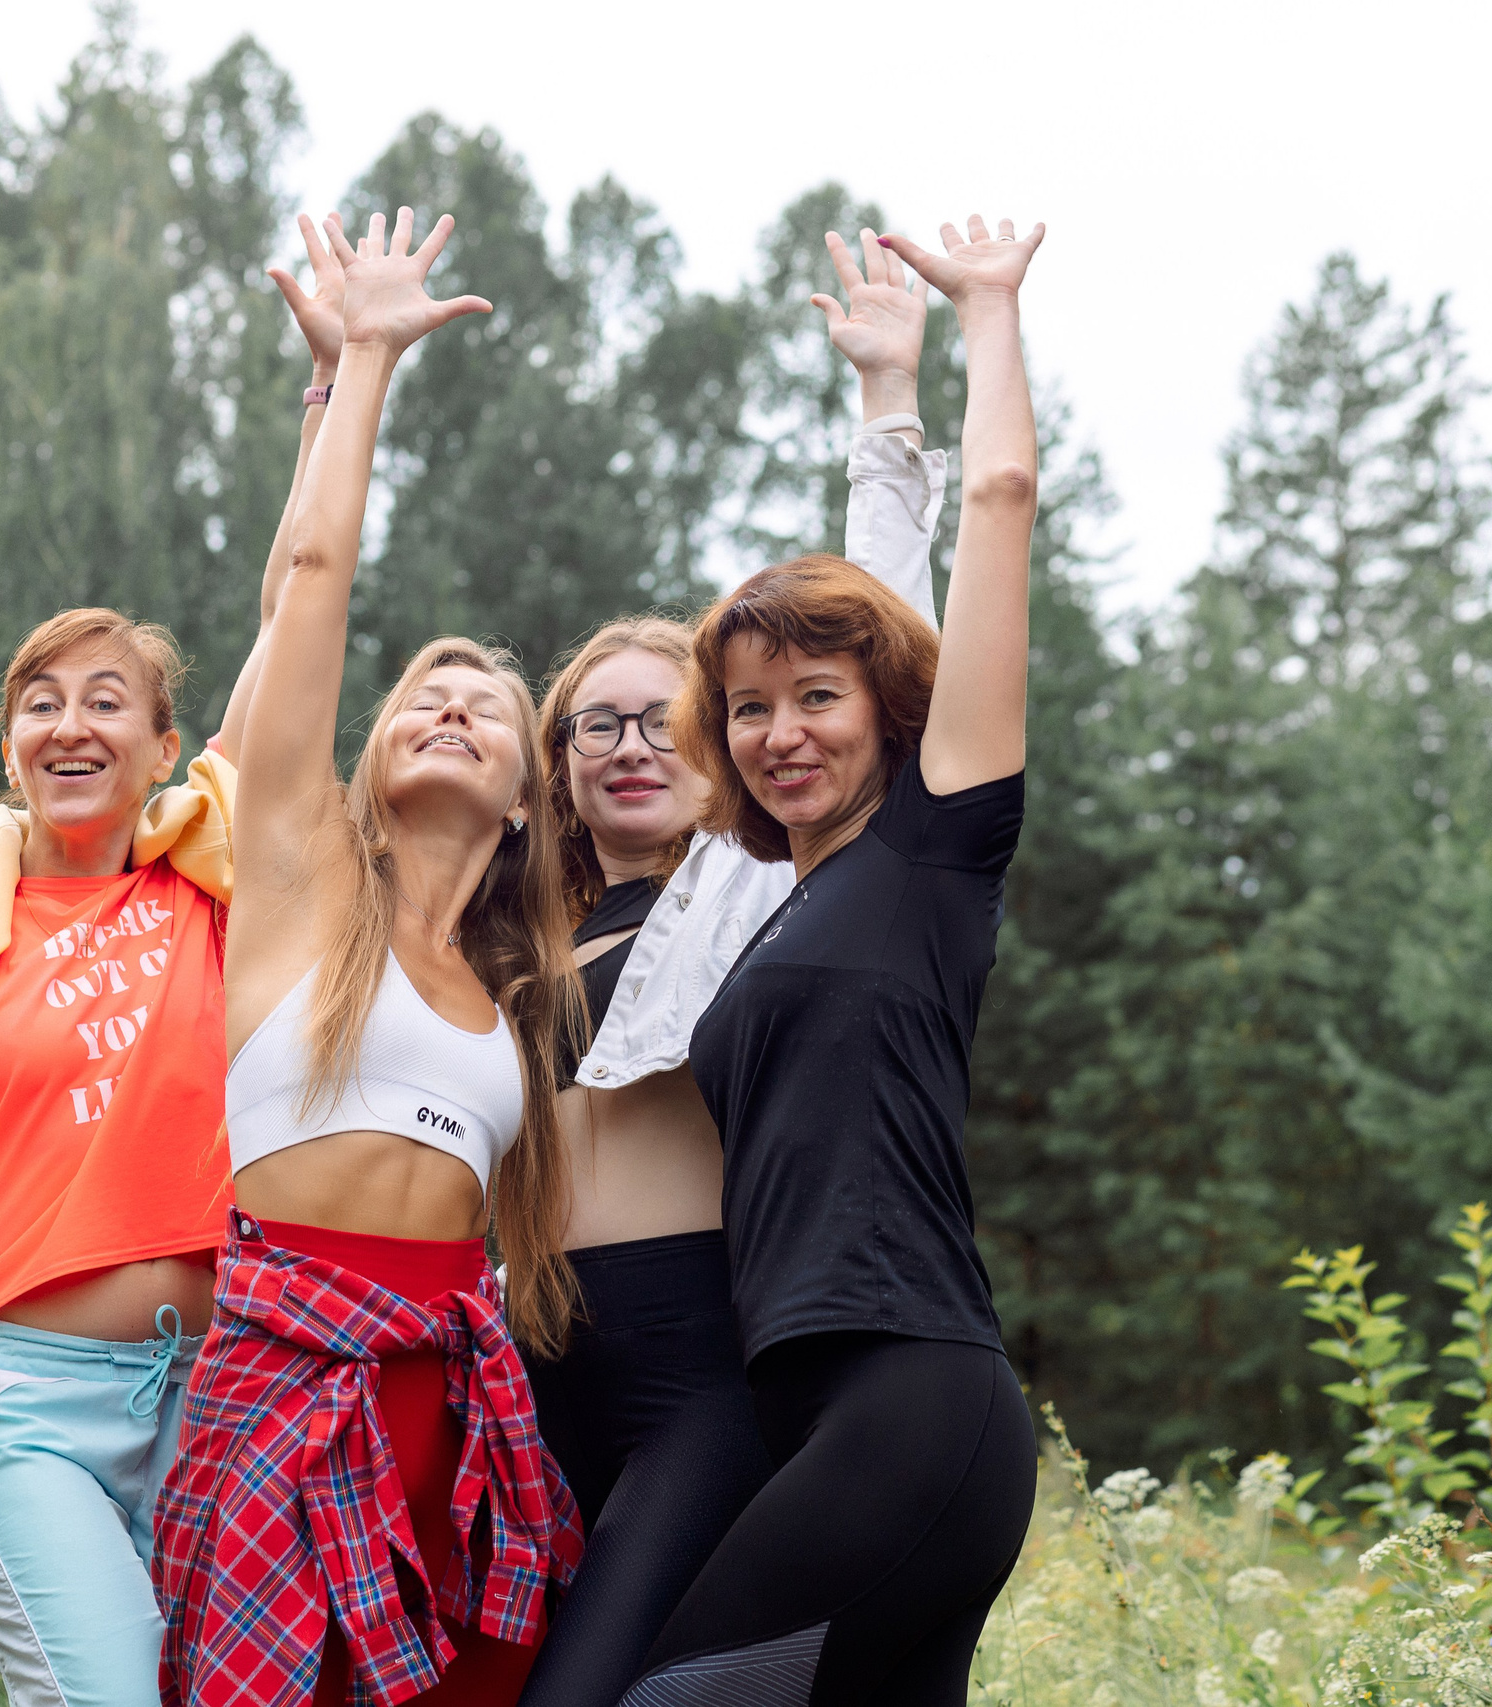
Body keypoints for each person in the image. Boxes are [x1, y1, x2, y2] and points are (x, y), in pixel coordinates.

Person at [0, 223, 338, 1707]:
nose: (70, 722)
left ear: (166, 747)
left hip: (218, 1395)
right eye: (39, 701)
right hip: (14, 1399)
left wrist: (330, 394)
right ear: (10, 751)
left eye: (108, 700)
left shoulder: (210, 889)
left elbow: (297, 617)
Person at [153, 208, 585, 1707]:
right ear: (367, 755)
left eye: (488, 706)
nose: (451, 707)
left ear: (526, 795)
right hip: (282, 1389)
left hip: (458, 1415)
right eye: (421, 697)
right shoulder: (299, 888)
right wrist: (359, 375)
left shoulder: (523, 996)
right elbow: (312, 580)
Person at [614, 214, 1047, 1707]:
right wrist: (877, 392)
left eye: (817, 695)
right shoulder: (768, 903)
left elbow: (999, 501)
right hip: (805, 1400)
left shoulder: (935, 850)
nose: (780, 732)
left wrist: (985, 313)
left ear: (888, 710)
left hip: (912, 1394)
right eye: (748, 707)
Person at [520, 226, 948, 1707]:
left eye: (666, 721)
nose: (631, 745)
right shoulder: (505, 939)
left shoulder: (758, 892)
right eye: (597, 724)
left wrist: (887, 405)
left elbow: (882, 638)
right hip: (529, 1374)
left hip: (693, 1360)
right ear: (557, 765)